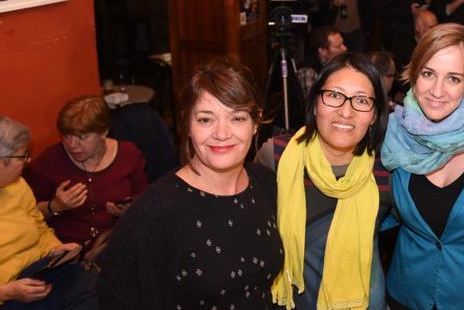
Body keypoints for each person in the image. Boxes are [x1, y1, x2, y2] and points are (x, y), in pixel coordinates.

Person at [96, 58, 283, 309]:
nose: (222, 133)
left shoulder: (265, 183)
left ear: (256, 122)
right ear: (187, 124)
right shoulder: (154, 212)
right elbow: (115, 296)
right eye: (206, 120)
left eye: (237, 118)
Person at [381, 24, 464, 309]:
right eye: (428, 73)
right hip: (407, 294)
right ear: (414, 74)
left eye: (453, 78)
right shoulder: (395, 135)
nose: (437, 91)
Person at [271, 53, 391, 310]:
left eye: (361, 100)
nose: (345, 112)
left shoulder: (385, 174)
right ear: (315, 103)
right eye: (335, 96)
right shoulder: (276, 156)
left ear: (374, 115)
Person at [24, 96, 148, 252]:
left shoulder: (128, 153)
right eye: (67, 136)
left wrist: (128, 209)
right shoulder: (50, 160)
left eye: (82, 137)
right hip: (68, 252)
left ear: (103, 132)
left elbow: (144, 199)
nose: (72, 145)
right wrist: (55, 206)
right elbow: (26, 214)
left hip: (117, 245)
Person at [0, 116, 96, 310]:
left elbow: (40, 228)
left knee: (95, 286)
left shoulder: (17, 185)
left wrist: (57, 250)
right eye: (23, 156)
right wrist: (7, 291)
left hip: (40, 269)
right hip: (10, 289)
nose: (28, 162)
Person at [297, 26, 348, 97]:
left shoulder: (342, 64)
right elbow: (312, 103)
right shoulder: (309, 72)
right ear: (323, 51)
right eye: (338, 46)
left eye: (343, 43)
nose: (345, 48)